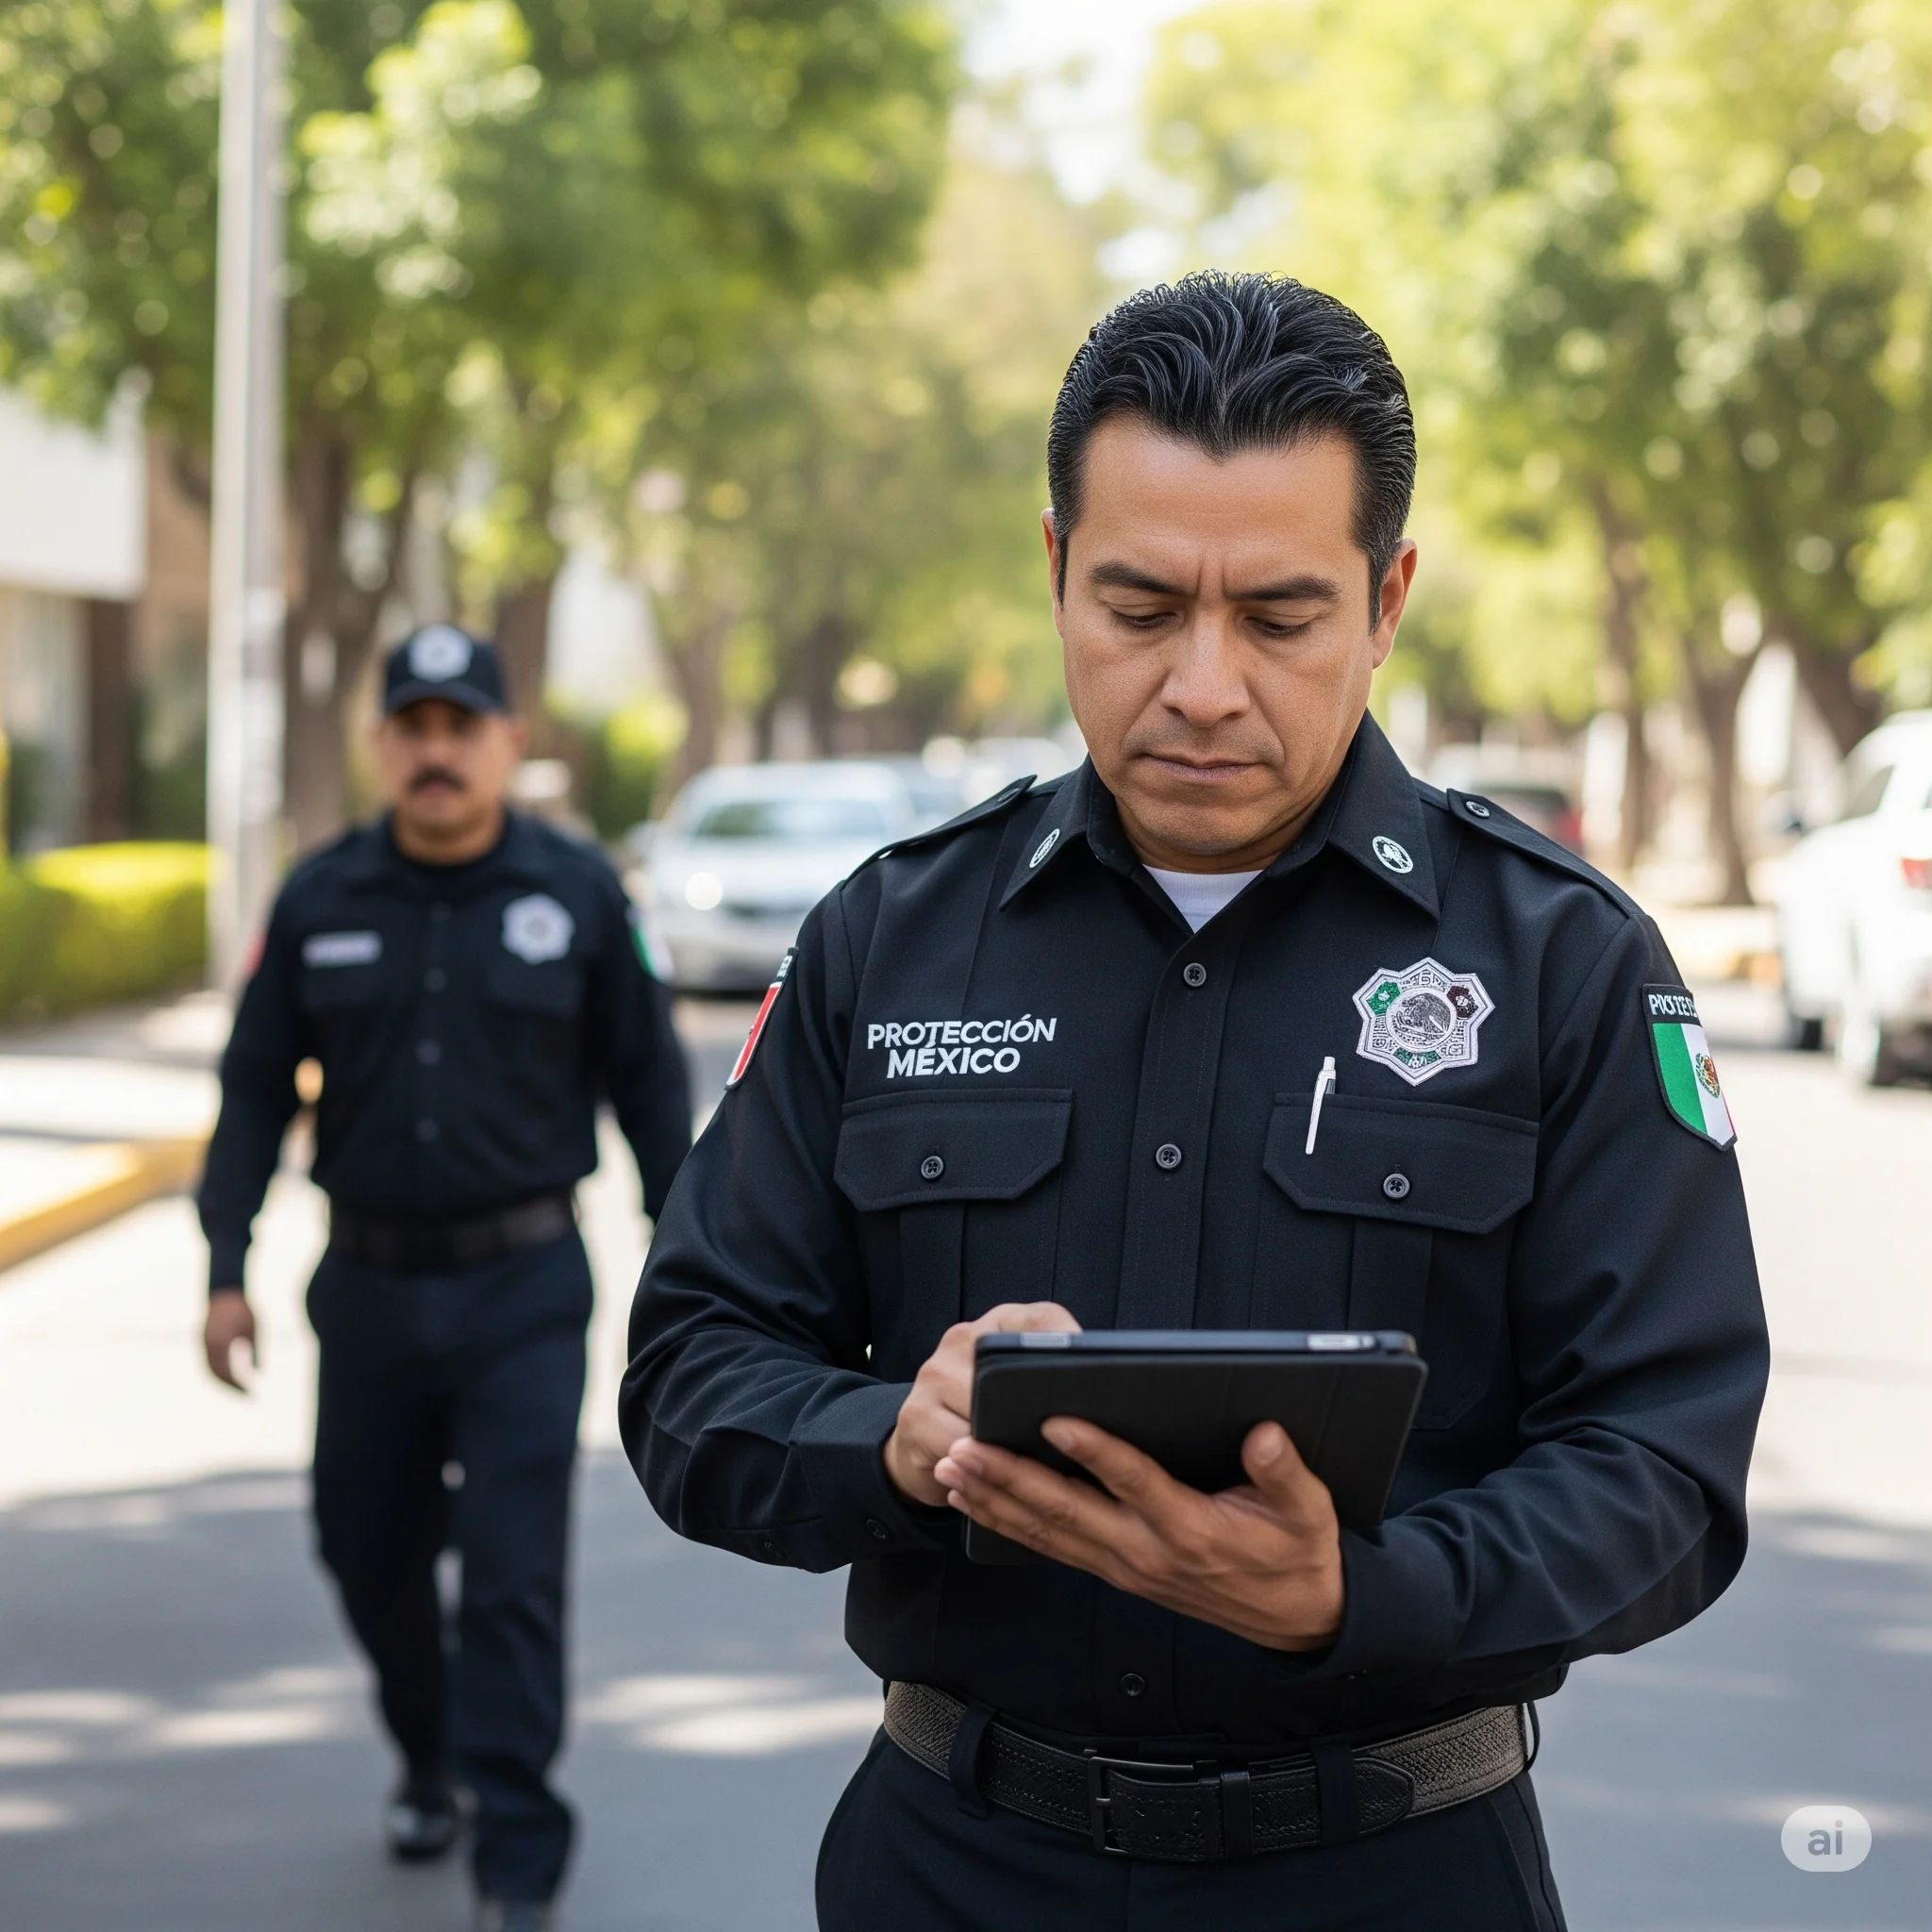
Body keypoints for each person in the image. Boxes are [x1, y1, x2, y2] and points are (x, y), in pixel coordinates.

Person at [619, 274, 1770, 1931]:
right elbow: (690, 1371)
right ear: (1056, 574)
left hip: (1393, 1876)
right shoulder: (893, 935)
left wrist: (1357, 1598)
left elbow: (1664, 1462)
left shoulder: (1562, 961)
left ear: (1386, 602)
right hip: (956, 1866)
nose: (1205, 685)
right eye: (1141, 607)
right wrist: (893, 1438)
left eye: (1281, 617)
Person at [199, 625, 691, 1932]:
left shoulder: (581, 894)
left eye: (459, 725)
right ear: (381, 746)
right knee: (365, 1553)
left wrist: (689, 1260)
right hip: (362, 1289)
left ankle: (516, 1859)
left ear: (506, 743)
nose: (435, 750)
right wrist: (224, 1263)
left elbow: (650, 1086)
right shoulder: (318, 899)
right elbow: (251, 1094)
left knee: (513, 1573)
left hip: (525, 1286)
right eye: (411, 726)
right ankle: (430, 1754)